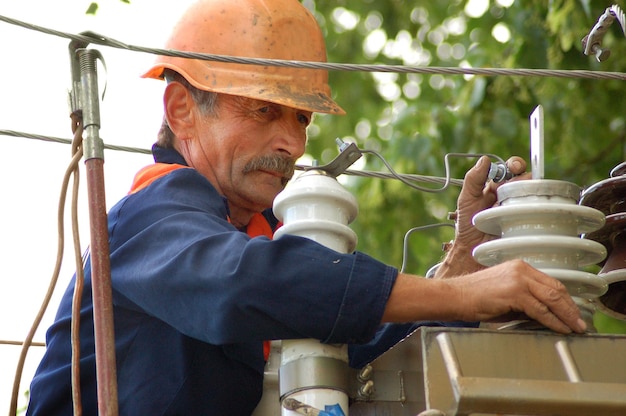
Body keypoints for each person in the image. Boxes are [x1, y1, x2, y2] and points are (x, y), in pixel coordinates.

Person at [26, 0, 586, 414]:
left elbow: (348, 346)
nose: (292, 144)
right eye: (264, 111)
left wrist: (461, 263)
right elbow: (245, 284)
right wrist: (461, 296)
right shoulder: (150, 216)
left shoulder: (257, 238)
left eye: (300, 119)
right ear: (182, 108)